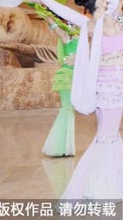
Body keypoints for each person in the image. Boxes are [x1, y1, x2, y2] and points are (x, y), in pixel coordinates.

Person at [62, 0, 123, 200]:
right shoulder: (92, 26)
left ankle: (114, 182)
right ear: (96, 2)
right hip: (106, 85)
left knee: (112, 134)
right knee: (106, 135)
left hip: (118, 83)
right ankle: (95, 186)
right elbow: (91, 55)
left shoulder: (113, 18)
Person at [42, 16, 78, 157]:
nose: (74, 27)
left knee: (69, 110)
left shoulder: (84, 40)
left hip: (75, 76)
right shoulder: (67, 38)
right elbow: (57, 29)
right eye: (71, 24)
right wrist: (48, 17)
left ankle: (64, 146)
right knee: (66, 109)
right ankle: (59, 146)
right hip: (67, 76)